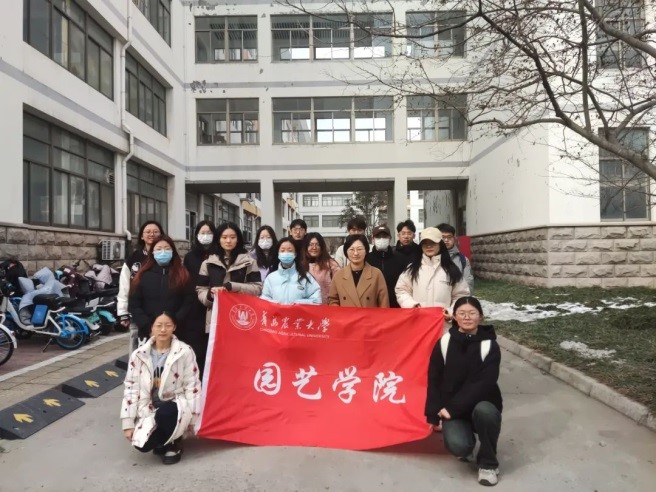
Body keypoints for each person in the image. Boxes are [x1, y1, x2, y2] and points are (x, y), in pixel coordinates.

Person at [425, 297, 503, 486]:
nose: (467, 317)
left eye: (472, 313)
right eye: (462, 313)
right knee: (458, 446)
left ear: (480, 317)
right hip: (455, 410)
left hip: (481, 404)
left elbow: (484, 383)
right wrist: (433, 413)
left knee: (485, 413)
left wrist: (452, 408)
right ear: (454, 317)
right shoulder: (445, 342)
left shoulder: (489, 345)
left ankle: (488, 463)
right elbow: (434, 378)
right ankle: (467, 445)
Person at [120, 312, 201, 465]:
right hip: (149, 407)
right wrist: (128, 423)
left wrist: (193, 418)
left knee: (166, 413)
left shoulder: (185, 352)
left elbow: (193, 385)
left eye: (168, 325)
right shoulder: (139, 355)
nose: (163, 329)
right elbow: (131, 387)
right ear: (152, 328)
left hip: (176, 404)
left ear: (174, 327)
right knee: (141, 445)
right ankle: (163, 440)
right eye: (158, 325)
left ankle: (174, 443)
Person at [128, 236, 194, 348]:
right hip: (148, 333)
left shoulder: (182, 274)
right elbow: (134, 304)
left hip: (177, 332)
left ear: (173, 251)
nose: (163, 252)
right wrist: (149, 327)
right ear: (152, 252)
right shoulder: (142, 275)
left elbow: (188, 301)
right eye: (158, 249)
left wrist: (173, 323)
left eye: (167, 249)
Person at [196, 222, 262, 332]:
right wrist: (210, 295)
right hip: (216, 318)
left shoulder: (249, 262)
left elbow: (257, 288)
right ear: (218, 239)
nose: (228, 241)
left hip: (242, 318)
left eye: (232, 237)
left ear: (238, 239)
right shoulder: (207, 263)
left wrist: (232, 287)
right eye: (224, 237)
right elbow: (200, 289)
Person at [395, 227, 470, 316]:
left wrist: (450, 312)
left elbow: (461, 295)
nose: (429, 246)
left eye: (433, 243)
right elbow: (401, 290)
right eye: (425, 243)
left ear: (440, 244)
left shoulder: (451, 269)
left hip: (443, 322)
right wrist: (412, 305)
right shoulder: (412, 268)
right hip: (418, 319)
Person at [117, 220, 165, 353]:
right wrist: (123, 312)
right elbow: (125, 286)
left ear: (161, 234)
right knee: (138, 350)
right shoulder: (134, 258)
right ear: (142, 236)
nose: (151, 234)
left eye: (155, 232)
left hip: (162, 313)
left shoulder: (166, 256)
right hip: (138, 311)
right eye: (148, 232)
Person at [183, 221, 219, 375]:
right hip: (195, 307)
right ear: (196, 235)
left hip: (216, 305)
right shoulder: (190, 257)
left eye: (209, 233)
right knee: (198, 349)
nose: (205, 236)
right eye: (202, 233)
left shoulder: (219, 255)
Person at [328, 234, 389, 308]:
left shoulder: (376, 274)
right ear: (346, 252)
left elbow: (384, 303)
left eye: (359, 249)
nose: (356, 253)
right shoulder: (338, 276)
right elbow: (333, 300)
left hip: (370, 315)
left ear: (366, 251)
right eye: (351, 249)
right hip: (346, 315)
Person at [261, 237, 321, 305]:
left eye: (290, 251)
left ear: (295, 254)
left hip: (299, 312)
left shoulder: (305, 277)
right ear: (278, 254)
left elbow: (316, 300)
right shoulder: (270, 278)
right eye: (282, 250)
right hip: (276, 312)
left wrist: (299, 304)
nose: (286, 253)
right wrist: (276, 304)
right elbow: (264, 300)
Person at [366, 224, 407, 308]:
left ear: (390, 239)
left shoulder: (401, 259)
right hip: (372, 307)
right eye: (378, 237)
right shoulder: (367, 259)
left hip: (395, 306)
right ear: (373, 239)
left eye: (384, 236)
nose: (381, 239)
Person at [301, 232, 340, 304]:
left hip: (327, 306)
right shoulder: (300, 265)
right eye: (311, 245)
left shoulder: (331, 264)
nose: (314, 248)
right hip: (306, 307)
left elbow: (340, 285)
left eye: (317, 244)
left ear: (322, 247)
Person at [437, 223, 474, 293]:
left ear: (454, 238)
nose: (446, 240)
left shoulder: (463, 260)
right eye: (443, 237)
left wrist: (463, 298)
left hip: (457, 297)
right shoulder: (429, 258)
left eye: (449, 237)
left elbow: (468, 282)